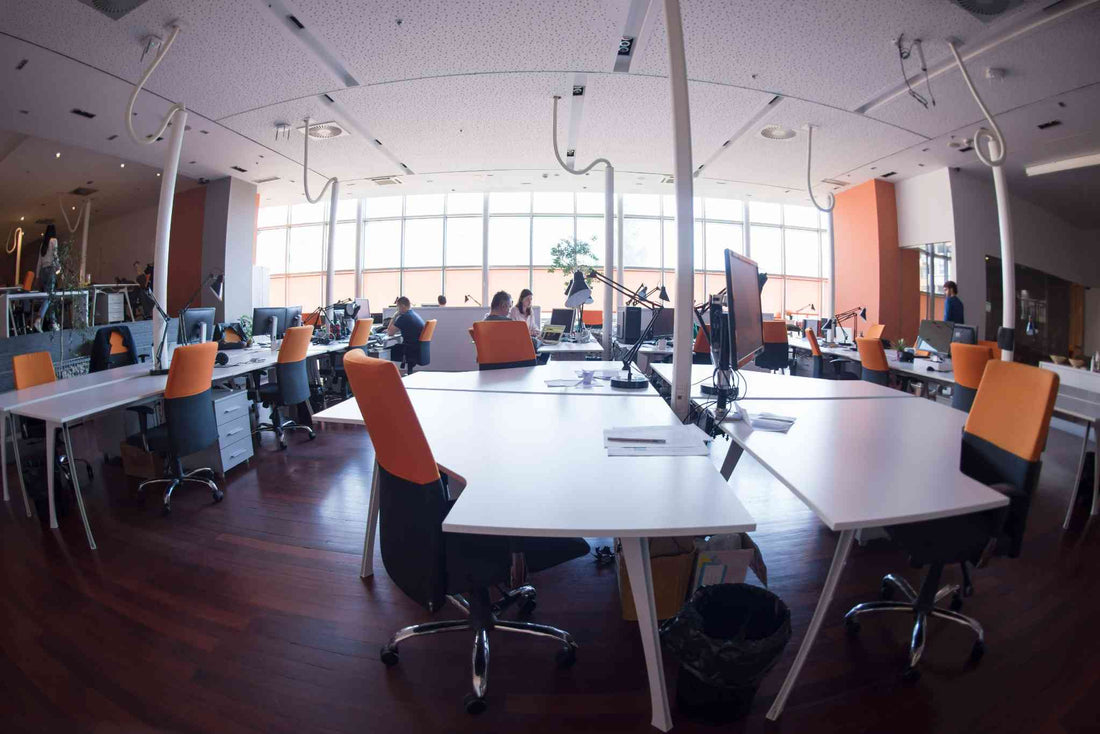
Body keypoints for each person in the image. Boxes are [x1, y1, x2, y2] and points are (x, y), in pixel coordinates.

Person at [387, 296, 425, 373]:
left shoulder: (404, 317)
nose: (397, 309)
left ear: (402, 306)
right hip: (417, 348)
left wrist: (394, 316)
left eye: (397, 307)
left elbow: (390, 333)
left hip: (409, 349)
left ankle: (387, 377)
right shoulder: (413, 314)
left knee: (383, 351)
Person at [33, 225, 59, 332]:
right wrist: (59, 268)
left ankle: (53, 322)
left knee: (49, 298)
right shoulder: (54, 241)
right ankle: (39, 319)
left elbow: (39, 261)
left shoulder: (42, 245)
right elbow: (55, 255)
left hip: (43, 271)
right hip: (50, 270)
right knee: (49, 297)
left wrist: (37, 276)